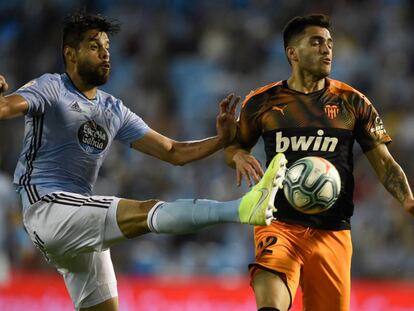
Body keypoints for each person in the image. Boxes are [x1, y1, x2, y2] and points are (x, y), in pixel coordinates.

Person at [0, 12, 288, 311]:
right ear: (70, 53)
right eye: (94, 46)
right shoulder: (51, 87)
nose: (104, 53)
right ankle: (241, 209)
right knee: (145, 210)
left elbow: (174, 152)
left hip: (77, 221)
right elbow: (6, 107)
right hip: (46, 209)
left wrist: (220, 140)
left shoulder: (112, 109)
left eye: (107, 47)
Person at [224, 14, 414, 311]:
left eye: (329, 43)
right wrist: (237, 155)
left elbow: (385, 163)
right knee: (270, 301)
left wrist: (408, 200)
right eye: (316, 42)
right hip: (278, 224)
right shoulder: (262, 103)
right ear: (292, 53)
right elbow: (233, 145)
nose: (327, 50)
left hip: (333, 232)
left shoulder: (353, 102)